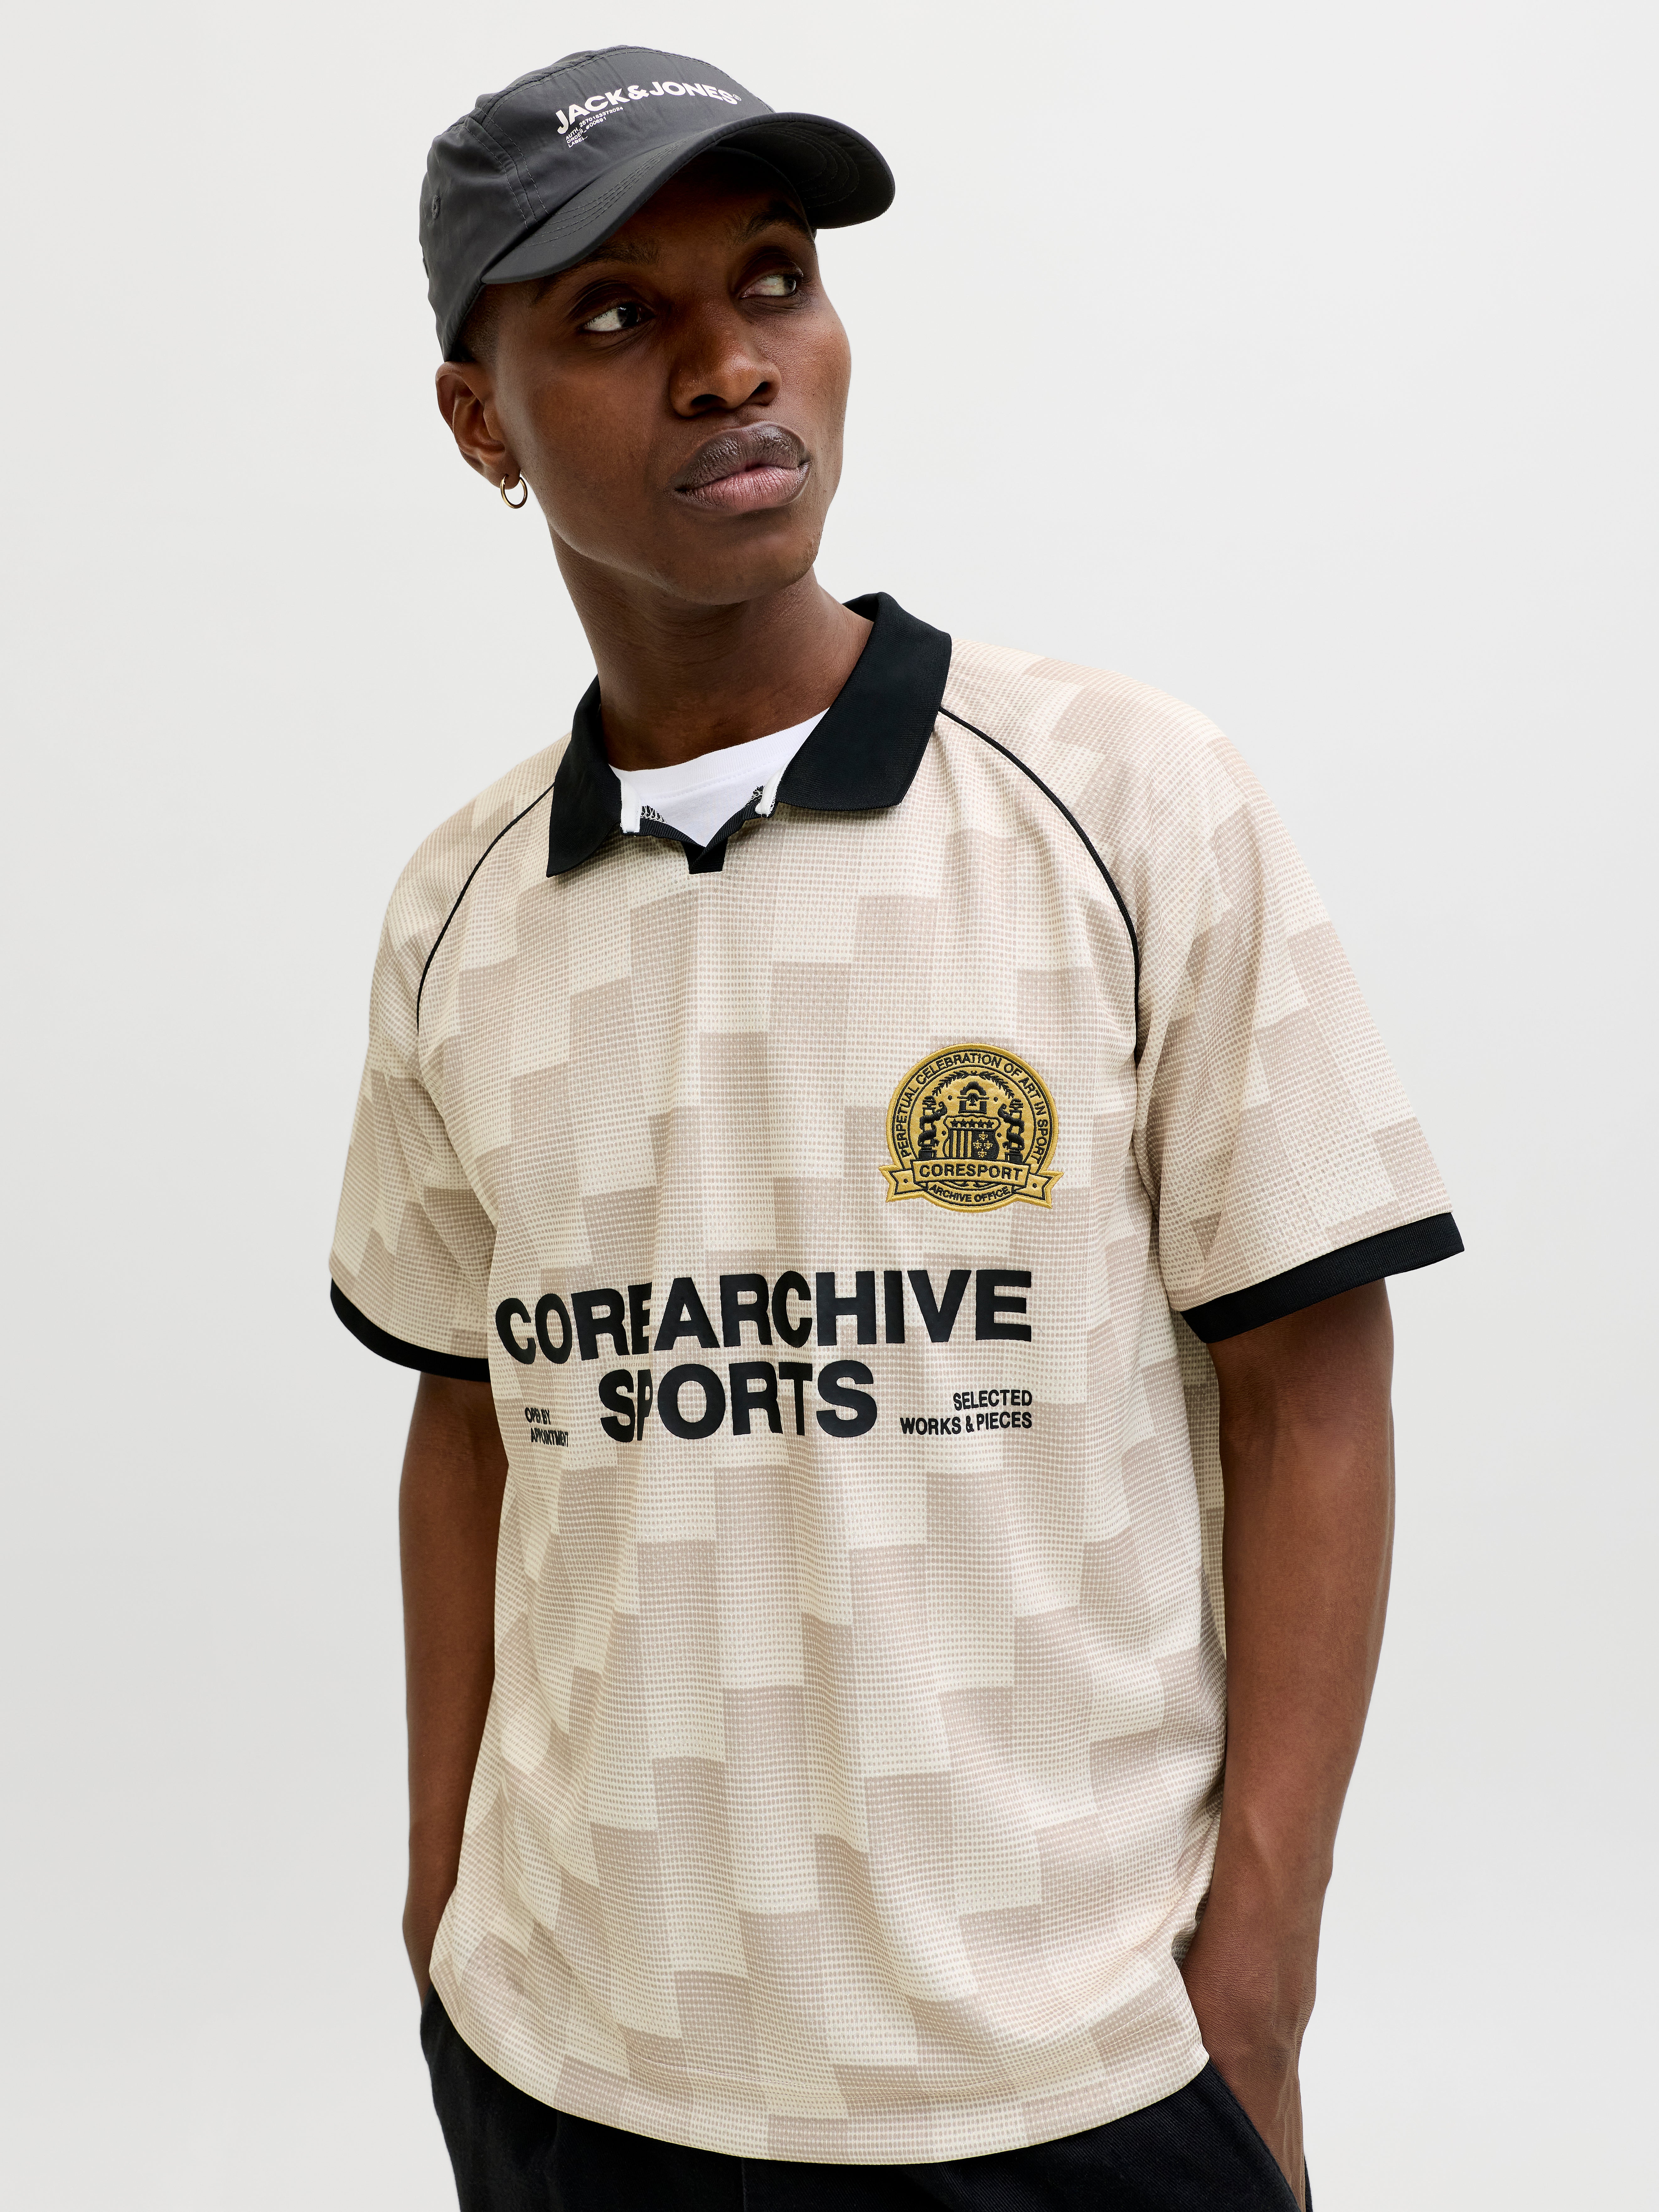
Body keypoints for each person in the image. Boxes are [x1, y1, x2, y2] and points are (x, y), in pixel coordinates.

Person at [329, 44, 1462, 2212]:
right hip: (580, 2057)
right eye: (615, 314)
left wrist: (1256, 1981)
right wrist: (439, 1899)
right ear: (479, 420)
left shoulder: (1125, 795)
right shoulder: (457, 904)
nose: (727, 365)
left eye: (772, 278)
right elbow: (467, 1415)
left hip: (1067, 2073)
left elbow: (1311, 1381)